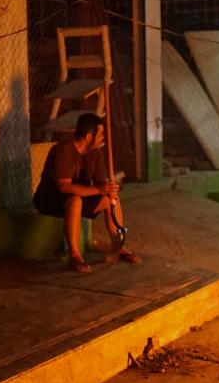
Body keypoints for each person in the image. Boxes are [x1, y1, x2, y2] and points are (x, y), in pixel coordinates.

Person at [34, 112, 141, 272]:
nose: (104, 137)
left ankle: (119, 246)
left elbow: (100, 184)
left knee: (111, 199)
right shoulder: (63, 150)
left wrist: (108, 189)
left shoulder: (96, 153)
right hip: (51, 200)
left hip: (79, 198)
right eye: (101, 133)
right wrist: (99, 189)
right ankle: (75, 255)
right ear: (88, 136)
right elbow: (64, 187)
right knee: (75, 199)